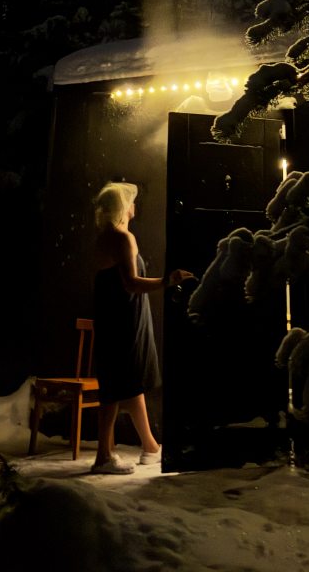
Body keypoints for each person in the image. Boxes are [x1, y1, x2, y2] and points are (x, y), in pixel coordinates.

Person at [90, 180, 195, 474]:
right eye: (130, 201)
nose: (134, 204)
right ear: (123, 207)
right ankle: (103, 457)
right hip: (124, 317)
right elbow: (130, 283)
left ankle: (150, 446)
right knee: (115, 385)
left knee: (128, 378)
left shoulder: (103, 238)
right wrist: (167, 281)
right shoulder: (124, 238)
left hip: (112, 315)